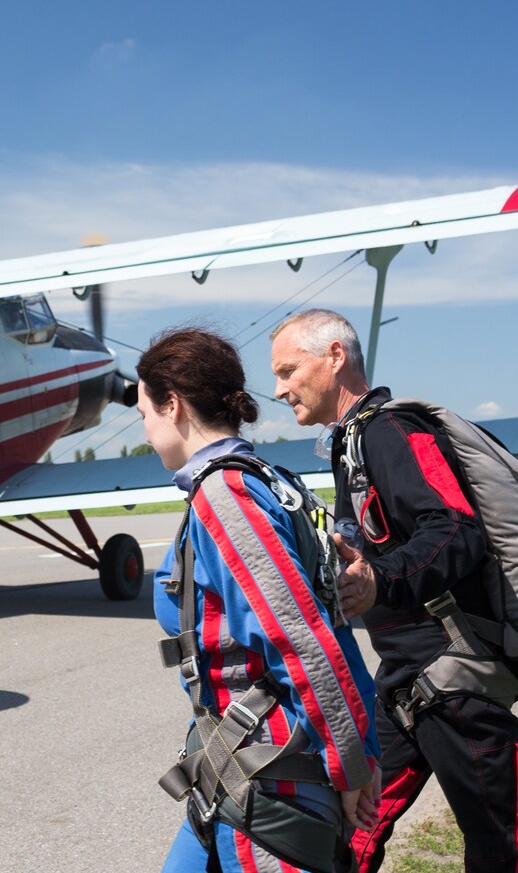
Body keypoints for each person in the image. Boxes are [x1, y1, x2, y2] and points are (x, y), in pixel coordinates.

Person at [268, 309, 518, 873]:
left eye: (287, 369)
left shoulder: (389, 431)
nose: (279, 388)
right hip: (406, 683)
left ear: (334, 357)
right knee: (349, 828)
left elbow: (454, 527)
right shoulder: (351, 441)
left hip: (456, 681)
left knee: (507, 851)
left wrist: (383, 579)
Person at [138, 326, 382, 873]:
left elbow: (303, 639)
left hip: (271, 778)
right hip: (231, 766)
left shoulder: (227, 495)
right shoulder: (265, 480)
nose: (146, 431)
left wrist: (350, 764)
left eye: (145, 414)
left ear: (172, 406)